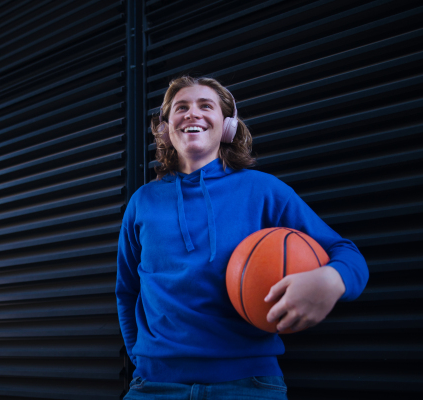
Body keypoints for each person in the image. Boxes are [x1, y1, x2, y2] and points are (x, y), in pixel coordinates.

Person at [116, 76, 369, 399]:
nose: (192, 113)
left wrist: (332, 280)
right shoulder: (142, 201)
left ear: (227, 127)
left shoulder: (264, 190)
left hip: (249, 383)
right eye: (181, 107)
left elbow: (347, 253)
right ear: (166, 128)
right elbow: (127, 290)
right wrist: (141, 360)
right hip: (154, 385)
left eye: (205, 106)